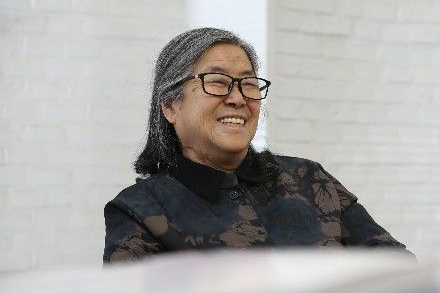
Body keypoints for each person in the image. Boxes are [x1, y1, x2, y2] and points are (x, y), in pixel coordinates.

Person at [103, 28, 412, 264]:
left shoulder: (311, 180)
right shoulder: (139, 210)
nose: (238, 98)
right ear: (171, 106)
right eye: (218, 81)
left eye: (248, 84)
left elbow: (396, 268)